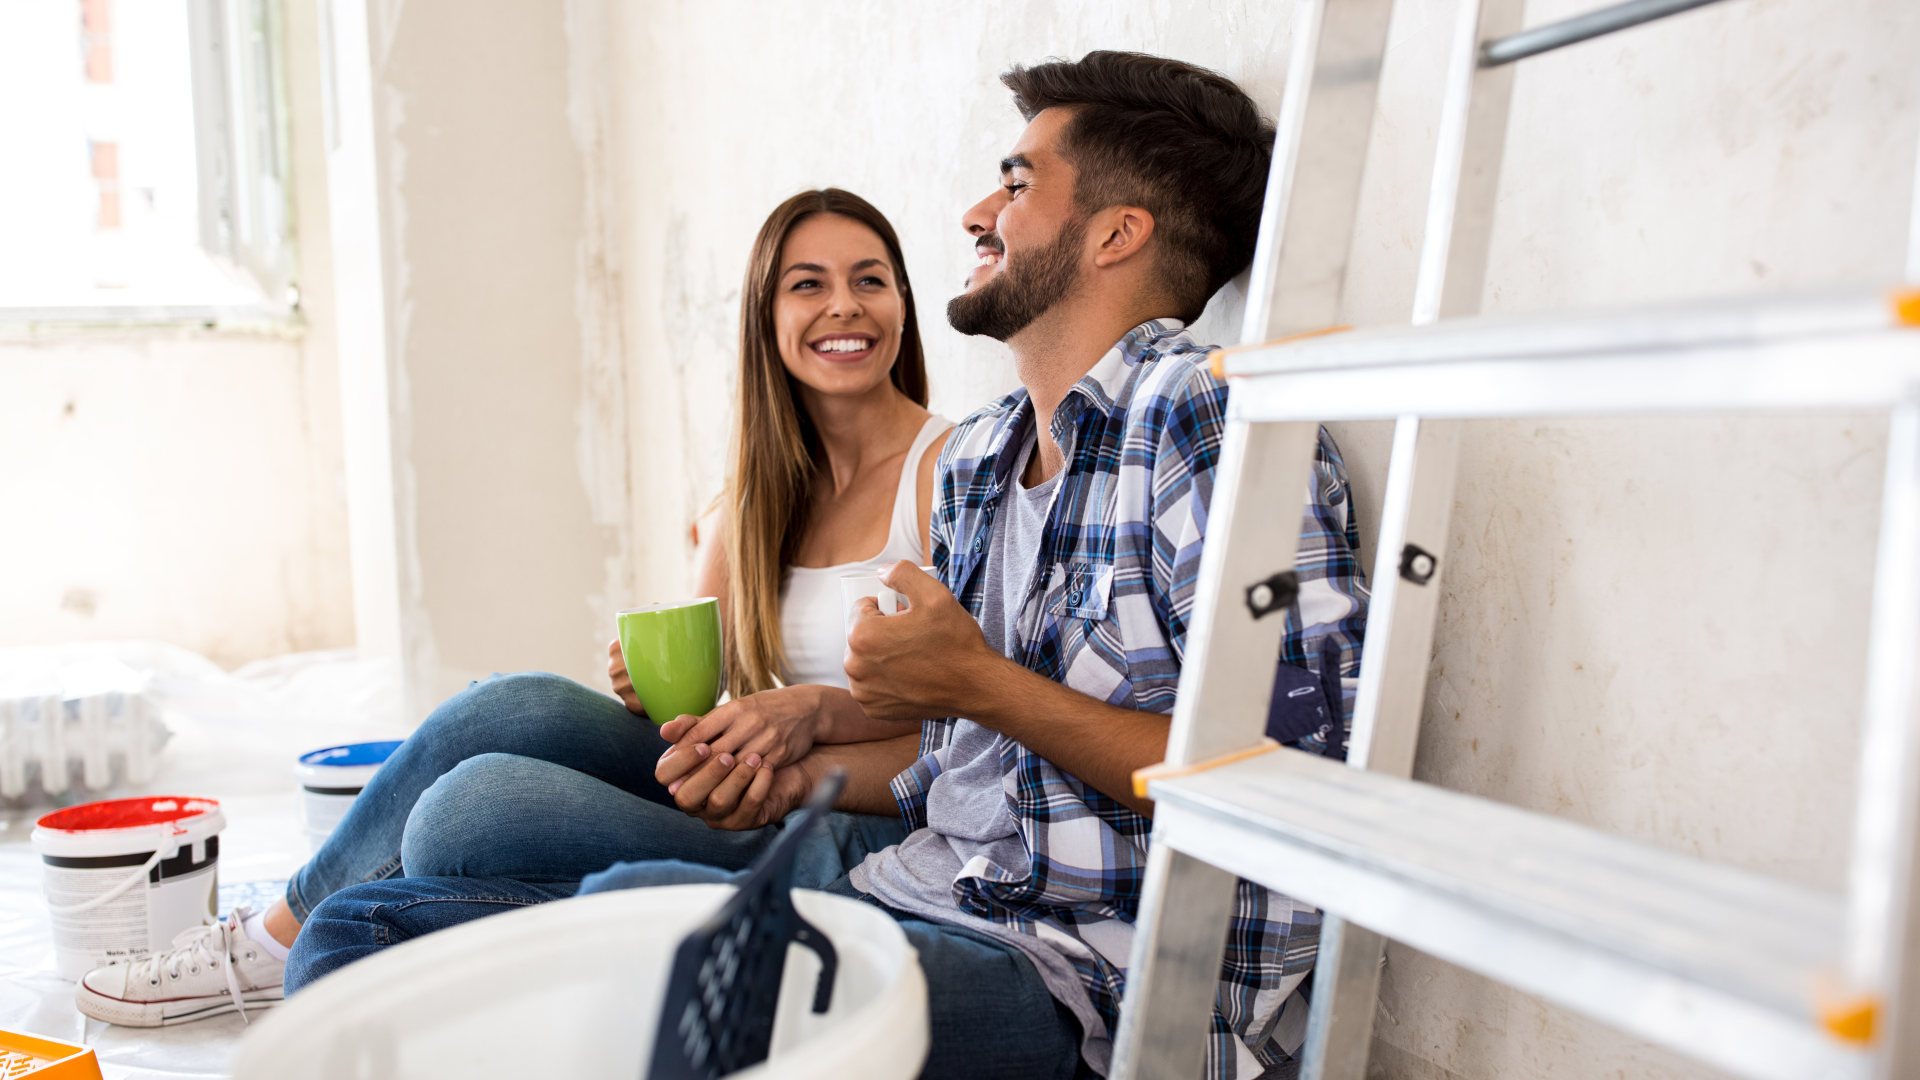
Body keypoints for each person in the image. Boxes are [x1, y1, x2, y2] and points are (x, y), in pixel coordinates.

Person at [289, 51, 1369, 1080]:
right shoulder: (990, 458)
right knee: (355, 934)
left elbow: (1290, 789)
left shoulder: (1206, 424)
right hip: (922, 889)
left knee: (646, 917)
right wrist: (803, 743)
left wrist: (973, 685)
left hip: (1078, 980)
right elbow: (957, 773)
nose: (977, 214)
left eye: (1017, 181)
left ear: (1114, 235)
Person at [72, 188, 953, 1028]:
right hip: (755, 787)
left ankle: (320, 937)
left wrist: (798, 744)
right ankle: (277, 938)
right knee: (512, 706)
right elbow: (706, 714)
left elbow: (981, 734)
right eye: (810, 284)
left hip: (865, 817)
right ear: (766, 319)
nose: (845, 306)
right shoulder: (754, 503)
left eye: (869, 279)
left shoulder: (952, 474)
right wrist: (660, 697)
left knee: (464, 819)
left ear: (903, 305)